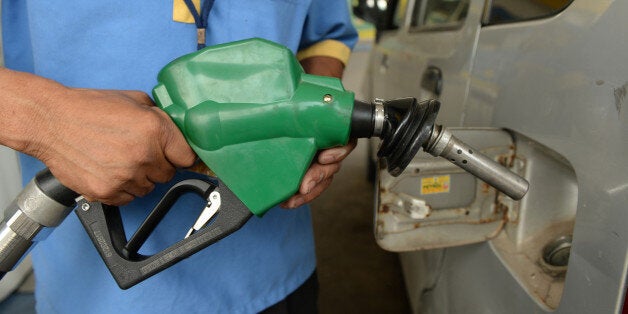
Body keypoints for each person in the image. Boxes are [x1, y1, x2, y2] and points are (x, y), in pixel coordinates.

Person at [0, 1, 358, 313]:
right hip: (98, 295)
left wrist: (316, 120)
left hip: (273, 274)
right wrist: (48, 120)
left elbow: (325, 36)